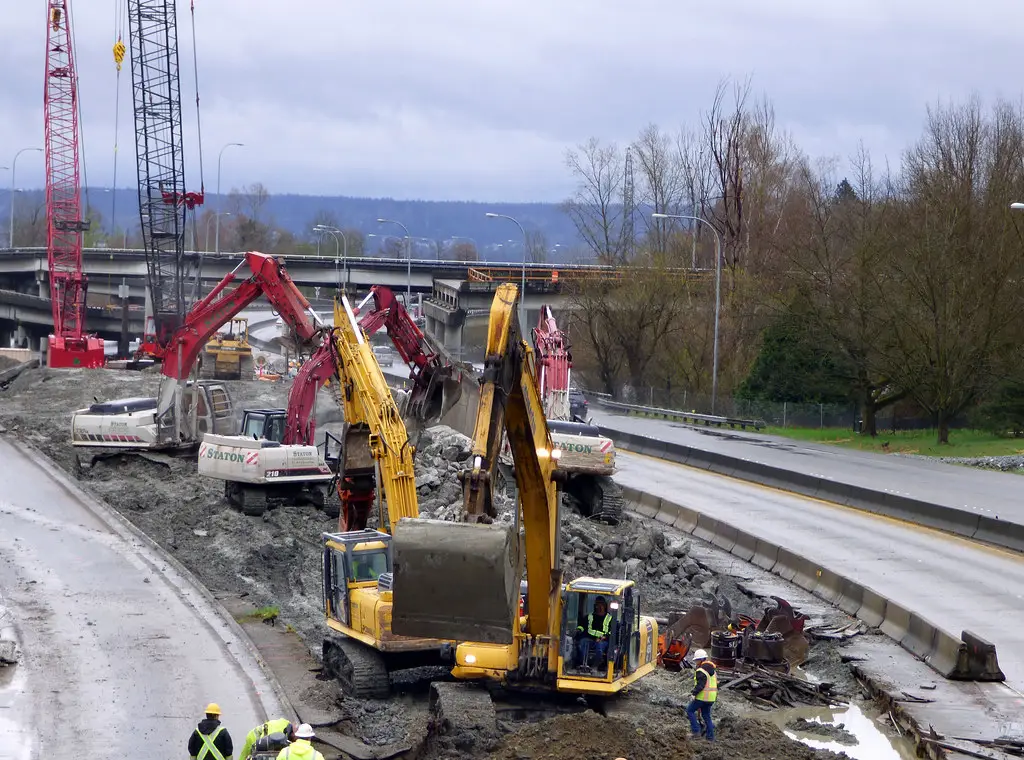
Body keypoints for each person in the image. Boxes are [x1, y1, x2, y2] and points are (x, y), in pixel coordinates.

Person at [686, 649, 717, 742]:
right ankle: (710, 737)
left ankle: (696, 732)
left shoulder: (701, 670)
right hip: (711, 698)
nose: (695, 662)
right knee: (706, 716)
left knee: (689, 711)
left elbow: (701, 685)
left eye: (696, 660)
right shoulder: (713, 670)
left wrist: (693, 693)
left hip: (702, 697)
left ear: (700, 660)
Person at [575, 595, 612, 668]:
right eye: (598, 605)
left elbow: (612, 631)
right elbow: (582, 625)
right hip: (590, 639)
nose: (599, 607)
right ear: (595, 606)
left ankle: (597, 664)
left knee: (599, 647)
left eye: (601, 605)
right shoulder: (589, 616)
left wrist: (604, 637)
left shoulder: (610, 618)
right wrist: (579, 629)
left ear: (605, 606)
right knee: (583, 642)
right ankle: (584, 664)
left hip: (603, 640)